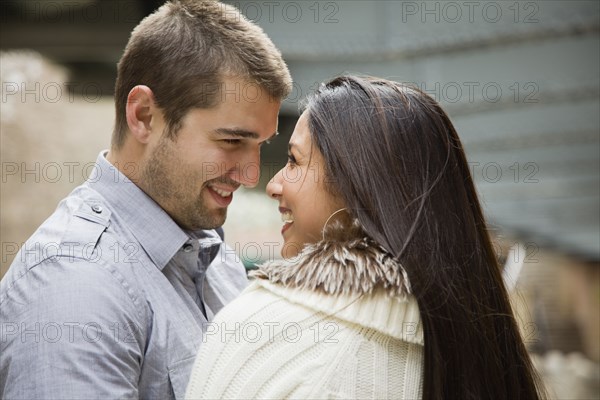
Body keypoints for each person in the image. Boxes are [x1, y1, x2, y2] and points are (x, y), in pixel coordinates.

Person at [185, 76, 547, 399]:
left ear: (357, 185)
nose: (274, 185)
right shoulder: (484, 348)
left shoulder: (258, 327)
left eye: (294, 161)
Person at [0, 1, 292, 398]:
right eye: (231, 141)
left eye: (259, 144)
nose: (252, 174)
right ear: (143, 116)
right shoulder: (75, 285)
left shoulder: (215, 257)